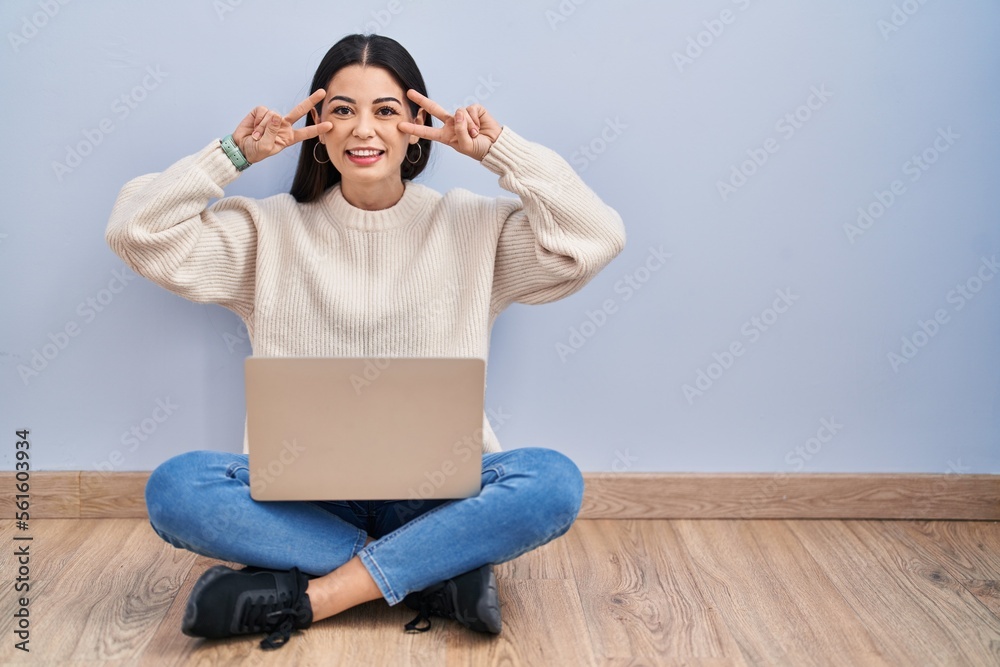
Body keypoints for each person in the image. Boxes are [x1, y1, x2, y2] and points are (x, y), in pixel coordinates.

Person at [105, 33, 625, 650]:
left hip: (436, 495)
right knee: (175, 489)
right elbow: (135, 232)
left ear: (417, 127)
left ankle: (316, 595)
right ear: (318, 128)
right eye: (342, 111)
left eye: (385, 110)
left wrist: (500, 152)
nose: (363, 130)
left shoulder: (474, 226)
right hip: (306, 501)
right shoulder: (266, 231)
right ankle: (433, 574)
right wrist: (230, 156)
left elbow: (596, 238)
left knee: (553, 481)